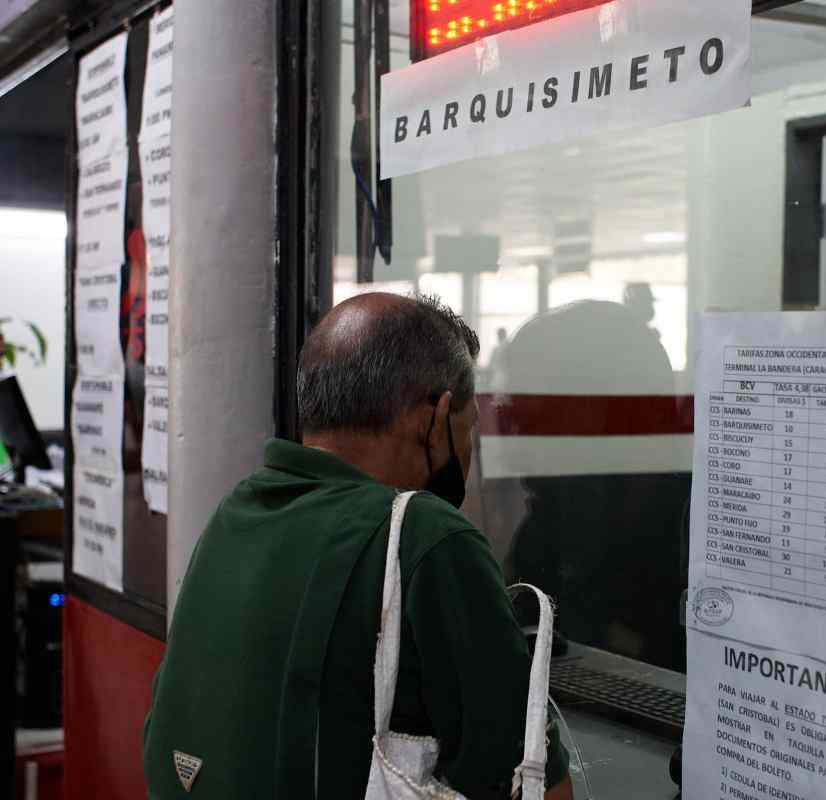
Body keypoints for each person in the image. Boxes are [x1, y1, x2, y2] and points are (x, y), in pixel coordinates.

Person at [143, 292, 573, 799]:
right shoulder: (427, 538)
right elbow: (535, 785)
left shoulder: (236, 515)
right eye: (468, 426)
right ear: (432, 420)